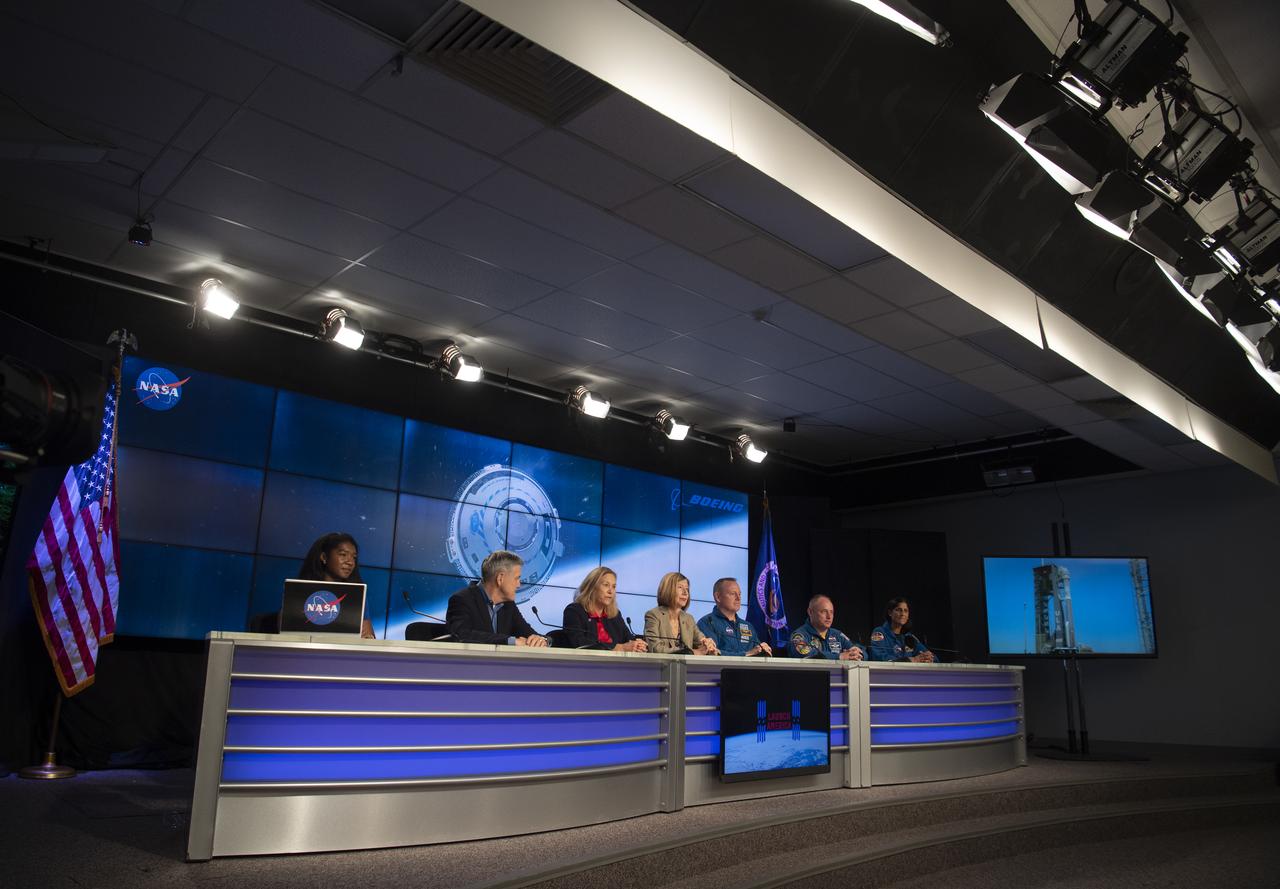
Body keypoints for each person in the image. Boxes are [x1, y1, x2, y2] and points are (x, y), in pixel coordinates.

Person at [445, 550, 548, 647]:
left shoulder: (509, 605)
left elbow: (529, 633)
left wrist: (541, 640)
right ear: (500, 578)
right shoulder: (462, 599)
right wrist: (510, 641)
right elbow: (462, 635)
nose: (519, 585)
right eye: (517, 578)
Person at [298, 532, 375, 639]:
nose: (350, 562)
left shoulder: (357, 595)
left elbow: (369, 638)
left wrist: (367, 638)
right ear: (324, 557)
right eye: (343, 555)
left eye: (354, 557)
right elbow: (285, 630)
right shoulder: (298, 591)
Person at [563, 566, 647, 651]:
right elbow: (579, 643)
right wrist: (619, 647)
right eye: (606, 585)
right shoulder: (574, 611)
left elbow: (628, 638)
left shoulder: (615, 615)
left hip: (616, 663)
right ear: (592, 587)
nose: (610, 591)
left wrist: (637, 644)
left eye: (614, 586)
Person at [644, 571, 718, 655]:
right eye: (680, 587)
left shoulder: (688, 619)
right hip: (659, 667)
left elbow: (701, 641)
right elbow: (654, 648)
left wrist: (709, 647)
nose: (685, 593)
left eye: (687, 589)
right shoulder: (653, 615)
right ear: (668, 590)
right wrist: (692, 652)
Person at [696, 577, 771, 657]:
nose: (738, 598)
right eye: (733, 594)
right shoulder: (707, 623)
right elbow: (713, 653)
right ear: (718, 597)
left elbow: (756, 651)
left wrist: (763, 649)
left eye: (739, 594)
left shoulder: (748, 626)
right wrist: (746, 654)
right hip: (720, 669)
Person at [789, 595, 864, 660]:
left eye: (831, 612)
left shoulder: (837, 635)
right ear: (810, 612)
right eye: (824, 611)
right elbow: (805, 654)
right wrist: (839, 657)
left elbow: (863, 651)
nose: (829, 617)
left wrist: (858, 654)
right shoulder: (799, 635)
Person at [869, 597, 936, 662]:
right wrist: (910, 660)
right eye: (899, 610)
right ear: (890, 613)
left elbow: (933, 657)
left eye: (905, 611)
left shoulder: (909, 637)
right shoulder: (879, 632)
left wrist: (928, 658)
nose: (903, 614)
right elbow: (878, 657)